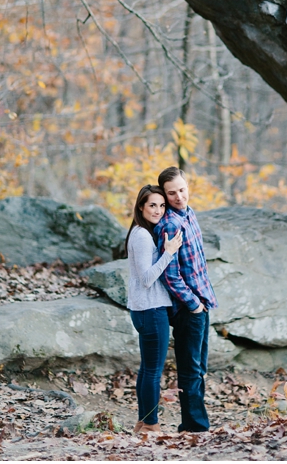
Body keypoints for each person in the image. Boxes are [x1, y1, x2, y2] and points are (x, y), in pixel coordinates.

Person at [153, 166, 218, 433]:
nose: (179, 196)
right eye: (172, 193)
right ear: (165, 196)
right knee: (190, 370)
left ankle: (192, 424)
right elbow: (170, 274)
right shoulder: (170, 224)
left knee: (199, 367)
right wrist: (192, 304)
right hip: (187, 308)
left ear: (187, 186)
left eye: (182, 189)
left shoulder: (189, 215)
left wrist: (202, 303)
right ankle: (195, 428)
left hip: (202, 303)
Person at [125, 184, 183, 433]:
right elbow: (147, 277)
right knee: (152, 371)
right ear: (141, 207)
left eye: (161, 205)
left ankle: (142, 422)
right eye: (152, 205)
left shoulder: (143, 233)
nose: (158, 210)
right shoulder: (141, 235)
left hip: (146, 309)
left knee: (147, 368)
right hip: (150, 310)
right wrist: (169, 253)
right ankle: (150, 425)